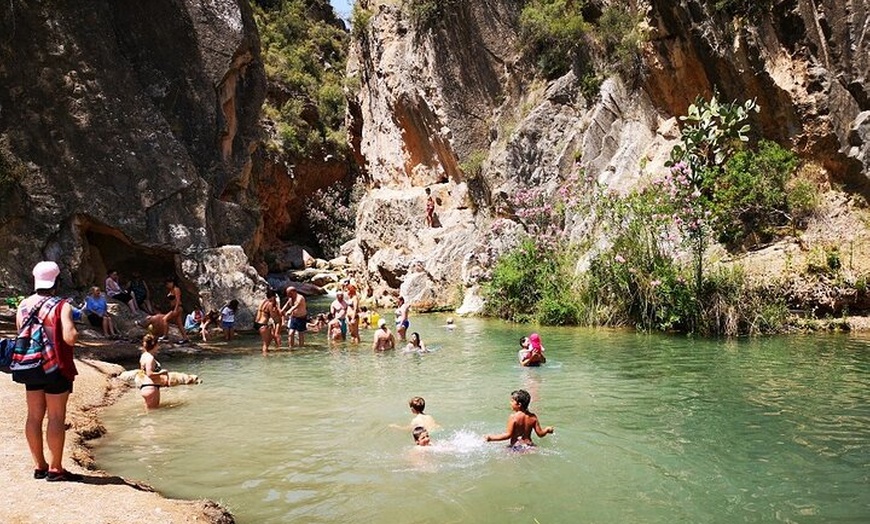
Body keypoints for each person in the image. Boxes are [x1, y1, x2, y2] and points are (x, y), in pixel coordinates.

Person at [16, 261, 82, 481]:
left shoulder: (24, 304)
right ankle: (55, 469)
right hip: (55, 367)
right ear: (56, 282)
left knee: (34, 416)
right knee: (55, 416)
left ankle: (39, 466)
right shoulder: (61, 305)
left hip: (31, 366)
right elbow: (69, 337)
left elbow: (20, 333)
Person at [484, 389, 554, 448]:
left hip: (516, 447)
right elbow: (540, 434)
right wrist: (547, 430)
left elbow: (508, 435)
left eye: (512, 401)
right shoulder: (533, 417)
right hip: (529, 446)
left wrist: (491, 438)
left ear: (519, 404)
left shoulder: (513, 417)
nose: (510, 403)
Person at [138, 333, 168, 410]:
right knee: (153, 413)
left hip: (144, 386)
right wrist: (162, 372)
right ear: (155, 345)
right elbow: (149, 374)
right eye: (158, 344)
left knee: (148, 411)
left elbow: (142, 372)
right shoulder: (150, 358)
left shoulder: (144, 355)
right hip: (151, 387)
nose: (159, 347)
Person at [254, 289, 282, 355]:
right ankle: (265, 359)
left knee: (270, 337)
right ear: (273, 296)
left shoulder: (262, 301)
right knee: (265, 344)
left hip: (257, 323)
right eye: (274, 297)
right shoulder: (270, 304)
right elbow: (273, 316)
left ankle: (268, 354)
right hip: (263, 324)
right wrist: (278, 320)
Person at [165, 277, 188, 343]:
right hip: (174, 307)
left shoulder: (176, 289)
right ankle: (185, 338)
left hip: (177, 307)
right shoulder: (171, 290)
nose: (168, 284)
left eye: (169, 283)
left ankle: (165, 336)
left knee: (165, 319)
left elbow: (178, 300)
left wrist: (175, 309)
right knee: (179, 324)